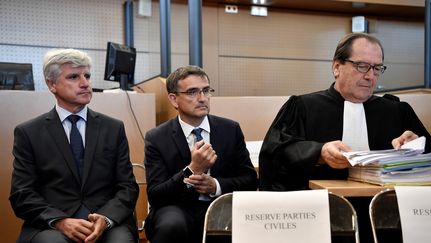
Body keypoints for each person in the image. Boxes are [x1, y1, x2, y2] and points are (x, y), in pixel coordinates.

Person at [258, 33, 431, 243]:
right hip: (320, 221)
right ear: (337, 67)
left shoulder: (396, 111)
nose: (370, 76)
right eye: (362, 66)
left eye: (377, 68)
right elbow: (273, 154)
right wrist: (318, 152)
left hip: (389, 222)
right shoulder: (303, 106)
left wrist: (417, 145)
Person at [9, 49, 139, 243]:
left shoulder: (113, 128)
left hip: (105, 220)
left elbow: (127, 186)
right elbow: (22, 194)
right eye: (73, 77)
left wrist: (106, 218)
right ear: (52, 84)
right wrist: (60, 221)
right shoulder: (29, 133)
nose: (85, 83)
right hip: (53, 224)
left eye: (87, 75)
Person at [144, 65, 258, 243]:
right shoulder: (157, 137)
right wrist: (192, 170)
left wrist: (215, 185)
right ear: (174, 99)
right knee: (171, 224)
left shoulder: (230, 129)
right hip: (177, 207)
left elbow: (250, 180)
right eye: (192, 92)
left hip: (221, 204)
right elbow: (156, 195)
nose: (202, 98)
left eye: (206, 90)